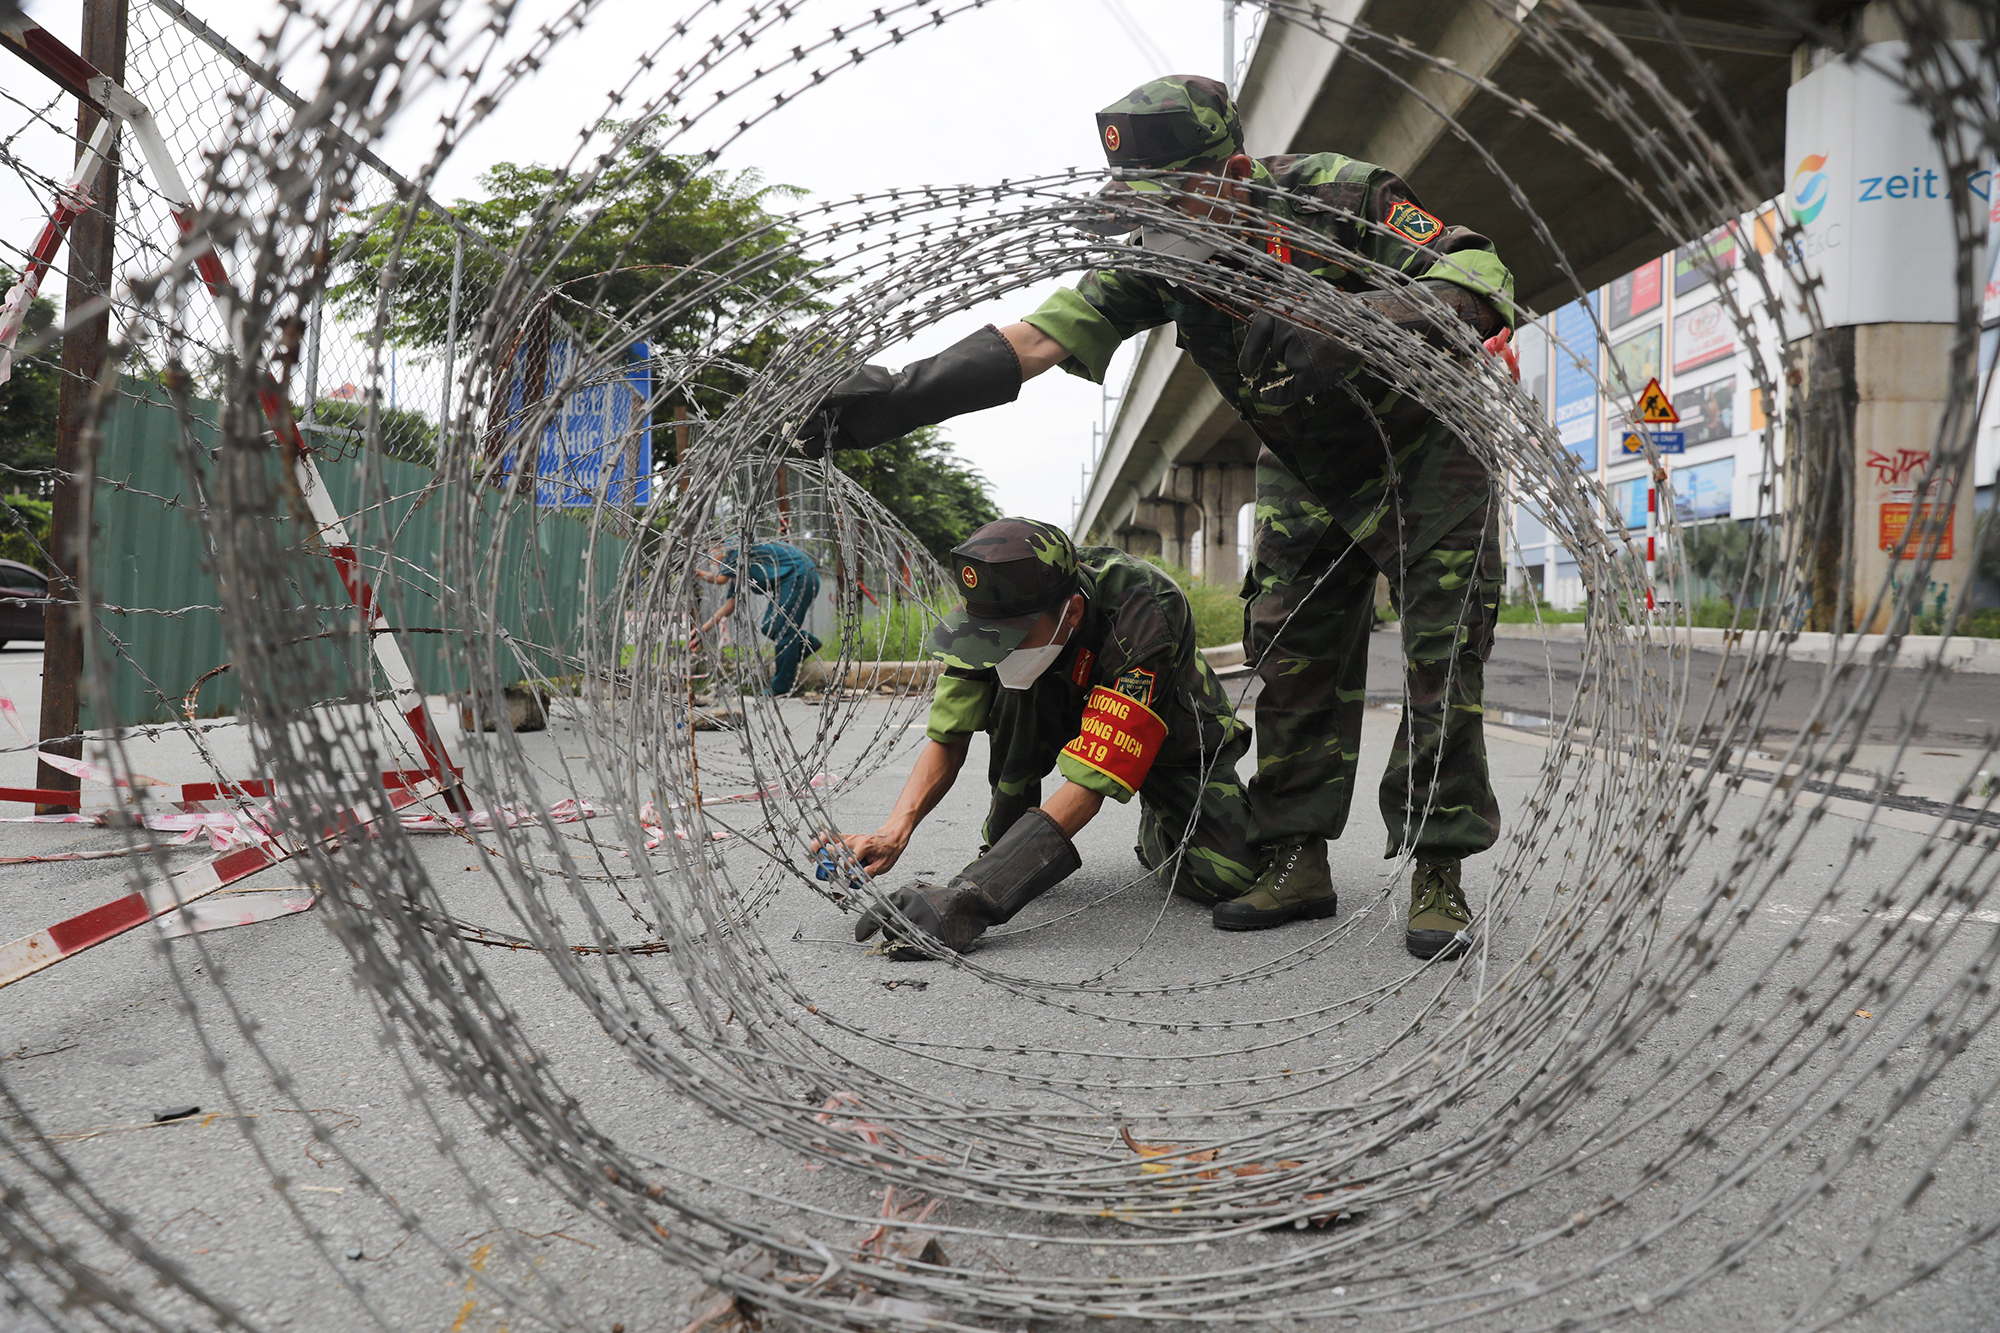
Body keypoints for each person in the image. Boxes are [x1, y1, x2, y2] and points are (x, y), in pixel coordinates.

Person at [799, 76, 1515, 960]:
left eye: (1176, 195)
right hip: (1303, 460)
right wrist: (890, 404)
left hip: (1424, 445)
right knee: (1290, 649)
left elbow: (1480, 269)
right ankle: (1296, 854)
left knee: (1441, 653)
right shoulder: (1161, 258)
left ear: (1233, 172)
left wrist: (1377, 315)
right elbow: (1034, 341)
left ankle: (1439, 868)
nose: (1160, 218)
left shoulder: (1337, 193)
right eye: (1143, 204)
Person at [827, 517, 1257, 959]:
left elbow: (1092, 781)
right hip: (1053, 705)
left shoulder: (1142, 610)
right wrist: (892, 832)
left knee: (1229, 875)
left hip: (1168, 732)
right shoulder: (989, 614)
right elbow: (947, 736)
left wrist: (969, 899)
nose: (999, 650)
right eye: (989, 637)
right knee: (1013, 704)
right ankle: (1013, 841)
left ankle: (1159, 821)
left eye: (1012, 638)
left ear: (1071, 612)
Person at [695, 540, 822, 696]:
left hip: (798, 576)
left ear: (719, 548)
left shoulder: (736, 549)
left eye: (711, 559)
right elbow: (730, 605)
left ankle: (781, 686)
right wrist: (701, 631)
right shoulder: (739, 568)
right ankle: (807, 643)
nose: (713, 564)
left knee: (784, 630)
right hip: (787, 581)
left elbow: (720, 579)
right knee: (769, 626)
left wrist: (697, 573)